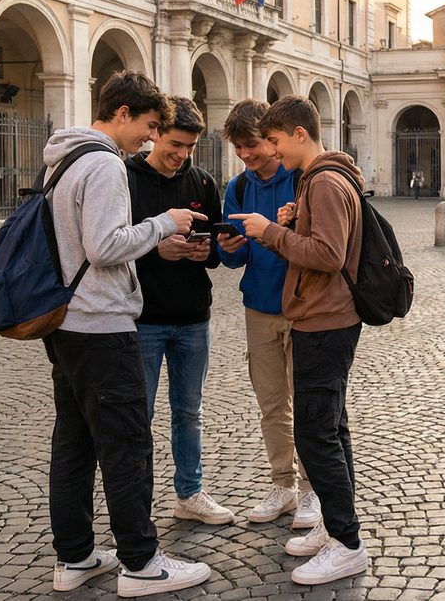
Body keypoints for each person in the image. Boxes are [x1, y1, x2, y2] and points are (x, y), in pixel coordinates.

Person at [42, 70, 210, 597]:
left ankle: (75, 557)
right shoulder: (105, 163)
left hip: (65, 323)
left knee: (73, 444)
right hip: (101, 324)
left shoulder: (61, 160)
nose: (150, 137)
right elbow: (105, 246)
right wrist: (165, 222)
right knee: (126, 445)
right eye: (149, 125)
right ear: (121, 114)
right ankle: (142, 563)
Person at [231, 95, 370, 585]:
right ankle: (337, 528)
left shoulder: (327, 181)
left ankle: (348, 543)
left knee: (316, 433)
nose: (271, 151)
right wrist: (294, 221)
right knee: (331, 428)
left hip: (324, 319)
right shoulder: (322, 179)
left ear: (298, 134)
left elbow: (328, 255)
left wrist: (271, 232)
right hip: (321, 316)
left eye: (273, 141)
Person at [216, 99, 322, 531]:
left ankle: (315, 490)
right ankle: (283, 484)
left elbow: (322, 243)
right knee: (272, 404)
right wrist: (228, 250)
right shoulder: (237, 189)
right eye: (239, 148)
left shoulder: (302, 178)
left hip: (304, 307)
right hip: (258, 307)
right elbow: (231, 259)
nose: (247, 155)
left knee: (312, 404)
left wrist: (283, 229)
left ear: (271, 138)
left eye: (253, 145)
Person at [125, 97, 230, 526]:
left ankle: (190, 492)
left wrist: (208, 251)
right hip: (143, 318)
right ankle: (137, 505)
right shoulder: (126, 179)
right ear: (155, 135)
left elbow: (216, 254)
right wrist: (156, 250)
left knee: (190, 411)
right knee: (140, 414)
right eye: (175, 144)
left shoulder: (203, 183)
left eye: (190, 147)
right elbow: (110, 246)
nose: (182, 154)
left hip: (193, 317)